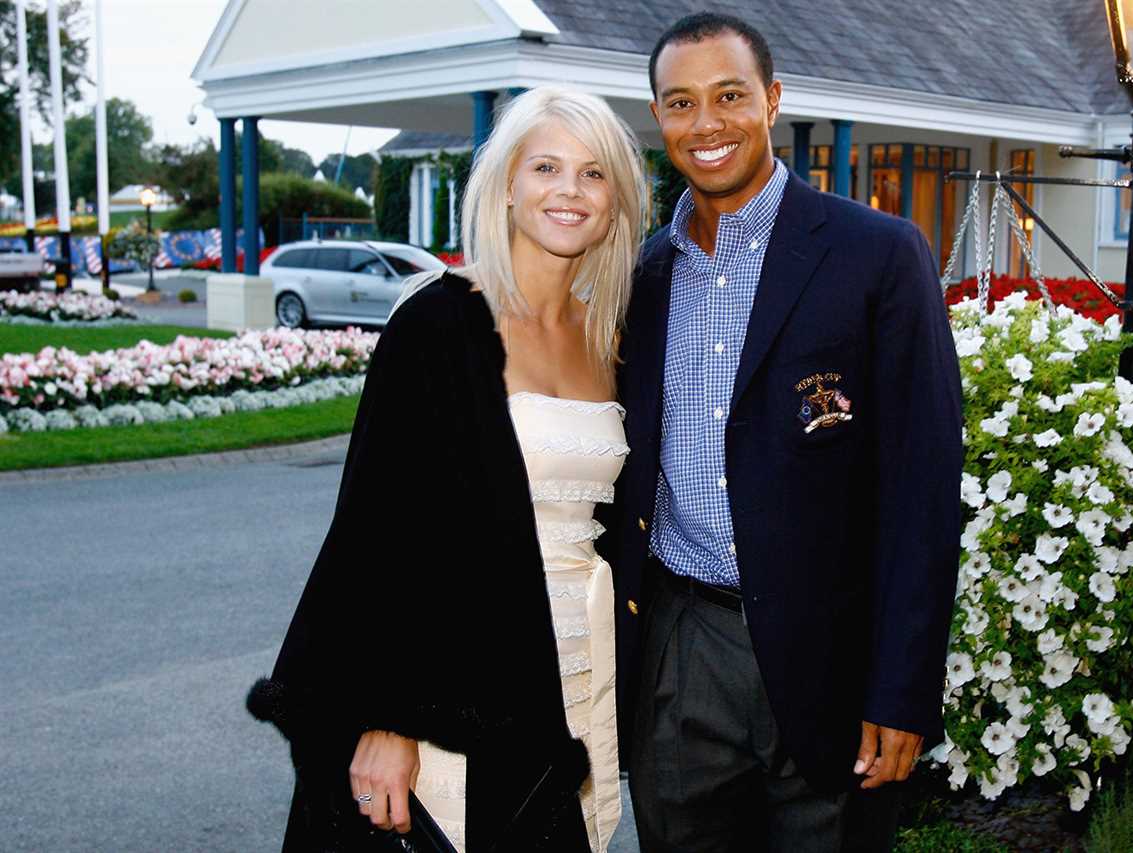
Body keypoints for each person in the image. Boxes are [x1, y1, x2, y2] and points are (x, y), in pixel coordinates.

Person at [246, 86, 648, 853]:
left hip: (574, 663)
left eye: (594, 174)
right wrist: (387, 720)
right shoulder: (437, 320)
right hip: (454, 669)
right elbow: (376, 534)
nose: (569, 190)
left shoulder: (608, 337)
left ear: (617, 201)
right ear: (504, 185)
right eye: (546, 167)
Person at [607, 13, 964, 852]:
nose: (707, 124)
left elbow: (922, 488)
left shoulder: (877, 254)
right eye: (681, 102)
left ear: (771, 100)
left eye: (730, 96)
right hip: (682, 646)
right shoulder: (643, 278)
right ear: (657, 117)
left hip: (830, 658)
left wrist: (903, 691)